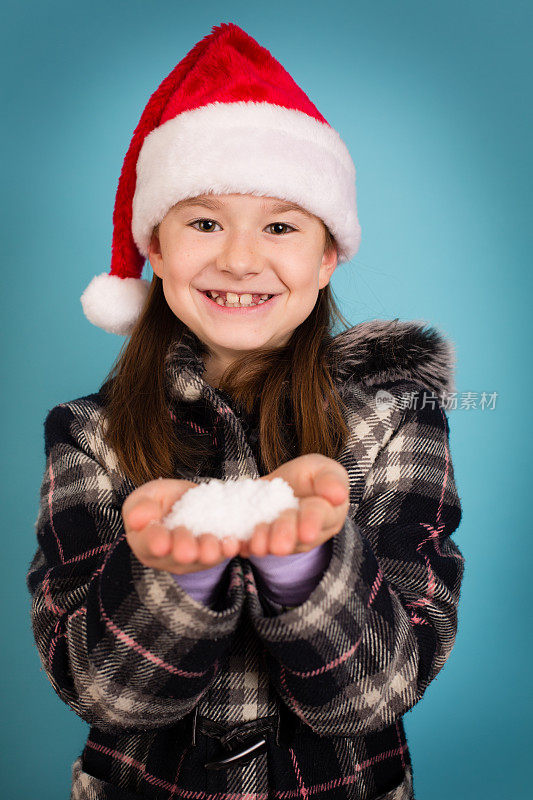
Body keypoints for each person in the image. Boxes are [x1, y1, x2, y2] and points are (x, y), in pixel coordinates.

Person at [26, 21, 465, 800]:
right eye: (202, 222)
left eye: (279, 225)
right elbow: (102, 693)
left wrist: (304, 565)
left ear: (327, 255)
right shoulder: (87, 433)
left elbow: (381, 690)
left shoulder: (398, 415)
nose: (237, 258)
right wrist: (175, 573)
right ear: (154, 250)